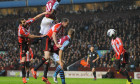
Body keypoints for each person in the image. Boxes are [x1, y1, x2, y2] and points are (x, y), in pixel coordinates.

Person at [31, 18, 69, 83]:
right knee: (47, 57)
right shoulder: (59, 25)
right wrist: (56, 44)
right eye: (67, 24)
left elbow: (59, 38)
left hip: (50, 42)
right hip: (47, 39)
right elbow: (53, 34)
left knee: (49, 60)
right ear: (63, 22)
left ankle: (45, 77)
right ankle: (34, 69)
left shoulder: (62, 29)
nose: (67, 25)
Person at [18, 11, 48, 83]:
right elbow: (30, 36)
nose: (25, 23)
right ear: (20, 24)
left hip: (28, 41)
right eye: (23, 23)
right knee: (23, 60)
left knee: (38, 39)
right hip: (22, 43)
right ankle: (24, 77)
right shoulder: (21, 30)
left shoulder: (27, 23)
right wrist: (40, 36)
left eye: (25, 21)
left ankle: (33, 70)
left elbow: (36, 17)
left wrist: (44, 13)